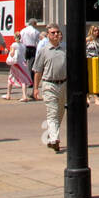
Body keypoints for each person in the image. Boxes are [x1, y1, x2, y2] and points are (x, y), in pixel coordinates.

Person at [31, 24, 67, 153]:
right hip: (49, 84)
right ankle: (54, 139)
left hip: (63, 84)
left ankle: (52, 135)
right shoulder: (43, 50)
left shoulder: (65, 49)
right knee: (52, 112)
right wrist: (35, 88)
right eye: (53, 33)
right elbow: (38, 71)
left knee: (60, 112)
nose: (56, 35)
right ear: (48, 35)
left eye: (58, 32)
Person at [86, 24, 99, 106]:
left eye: (98, 31)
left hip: (97, 60)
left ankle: (91, 95)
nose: (97, 32)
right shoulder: (88, 40)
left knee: (97, 78)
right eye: (95, 30)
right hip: (89, 60)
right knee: (90, 79)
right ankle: (93, 97)